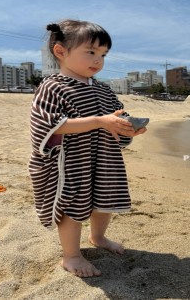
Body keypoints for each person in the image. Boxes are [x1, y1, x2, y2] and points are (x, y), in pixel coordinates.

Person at [29, 19, 147, 278]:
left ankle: (98, 237)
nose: (98, 60)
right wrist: (98, 121)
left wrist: (127, 128)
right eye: (91, 52)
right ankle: (71, 256)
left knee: (104, 201)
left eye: (103, 54)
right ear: (61, 52)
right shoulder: (53, 86)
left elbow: (115, 118)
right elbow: (49, 125)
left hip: (104, 158)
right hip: (71, 162)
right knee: (75, 205)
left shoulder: (104, 90)